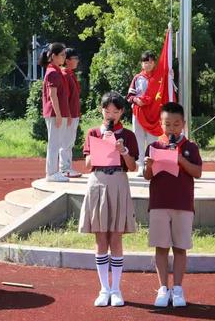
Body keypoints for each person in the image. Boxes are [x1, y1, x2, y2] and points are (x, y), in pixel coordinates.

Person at [78, 91, 138, 307]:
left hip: (118, 181)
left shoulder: (128, 135)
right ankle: (104, 288)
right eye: (107, 110)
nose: (110, 114)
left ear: (122, 112)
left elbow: (132, 167)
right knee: (100, 237)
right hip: (98, 181)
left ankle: (116, 289)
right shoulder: (93, 132)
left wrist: (123, 151)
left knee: (116, 237)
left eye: (115, 110)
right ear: (101, 110)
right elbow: (86, 164)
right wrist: (101, 144)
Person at [143, 102, 202, 308]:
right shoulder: (154, 146)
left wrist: (180, 160)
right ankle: (162, 288)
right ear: (161, 124)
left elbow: (198, 172)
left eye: (176, 125)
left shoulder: (191, 147)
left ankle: (177, 289)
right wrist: (148, 166)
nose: (172, 129)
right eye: (167, 125)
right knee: (161, 247)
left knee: (180, 247)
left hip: (183, 204)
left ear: (183, 124)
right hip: (159, 203)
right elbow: (147, 176)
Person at [39, 42, 70, 183]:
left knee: (56, 142)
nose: (64, 57)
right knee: (54, 143)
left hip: (58, 112)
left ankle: (54, 171)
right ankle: (51, 173)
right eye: (62, 55)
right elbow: (53, 95)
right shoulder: (52, 72)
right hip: (54, 113)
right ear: (53, 56)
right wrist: (58, 114)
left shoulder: (56, 71)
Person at [127, 51, 159, 177]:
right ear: (142, 64)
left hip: (153, 114)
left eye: (150, 62)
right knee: (138, 139)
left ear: (154, 63)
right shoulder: (137, 78)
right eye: (145, 62)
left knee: (152, 140)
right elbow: (130, 95)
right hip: (138, 113)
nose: (148, 65)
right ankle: (141, 165)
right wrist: (136, 100)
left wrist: (170, 76)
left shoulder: (159, 78)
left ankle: (152, 166)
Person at [59, 47, 82, 178]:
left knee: (69, 142)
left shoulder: (71, 74)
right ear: (67, 60)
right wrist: (67, 114)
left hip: (74, 113)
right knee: (66, 142)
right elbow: (65, 97)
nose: (77, 61)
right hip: (69, 115)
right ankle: (65, 168)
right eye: (75, 59)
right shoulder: (65, 75)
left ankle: (68, 167)